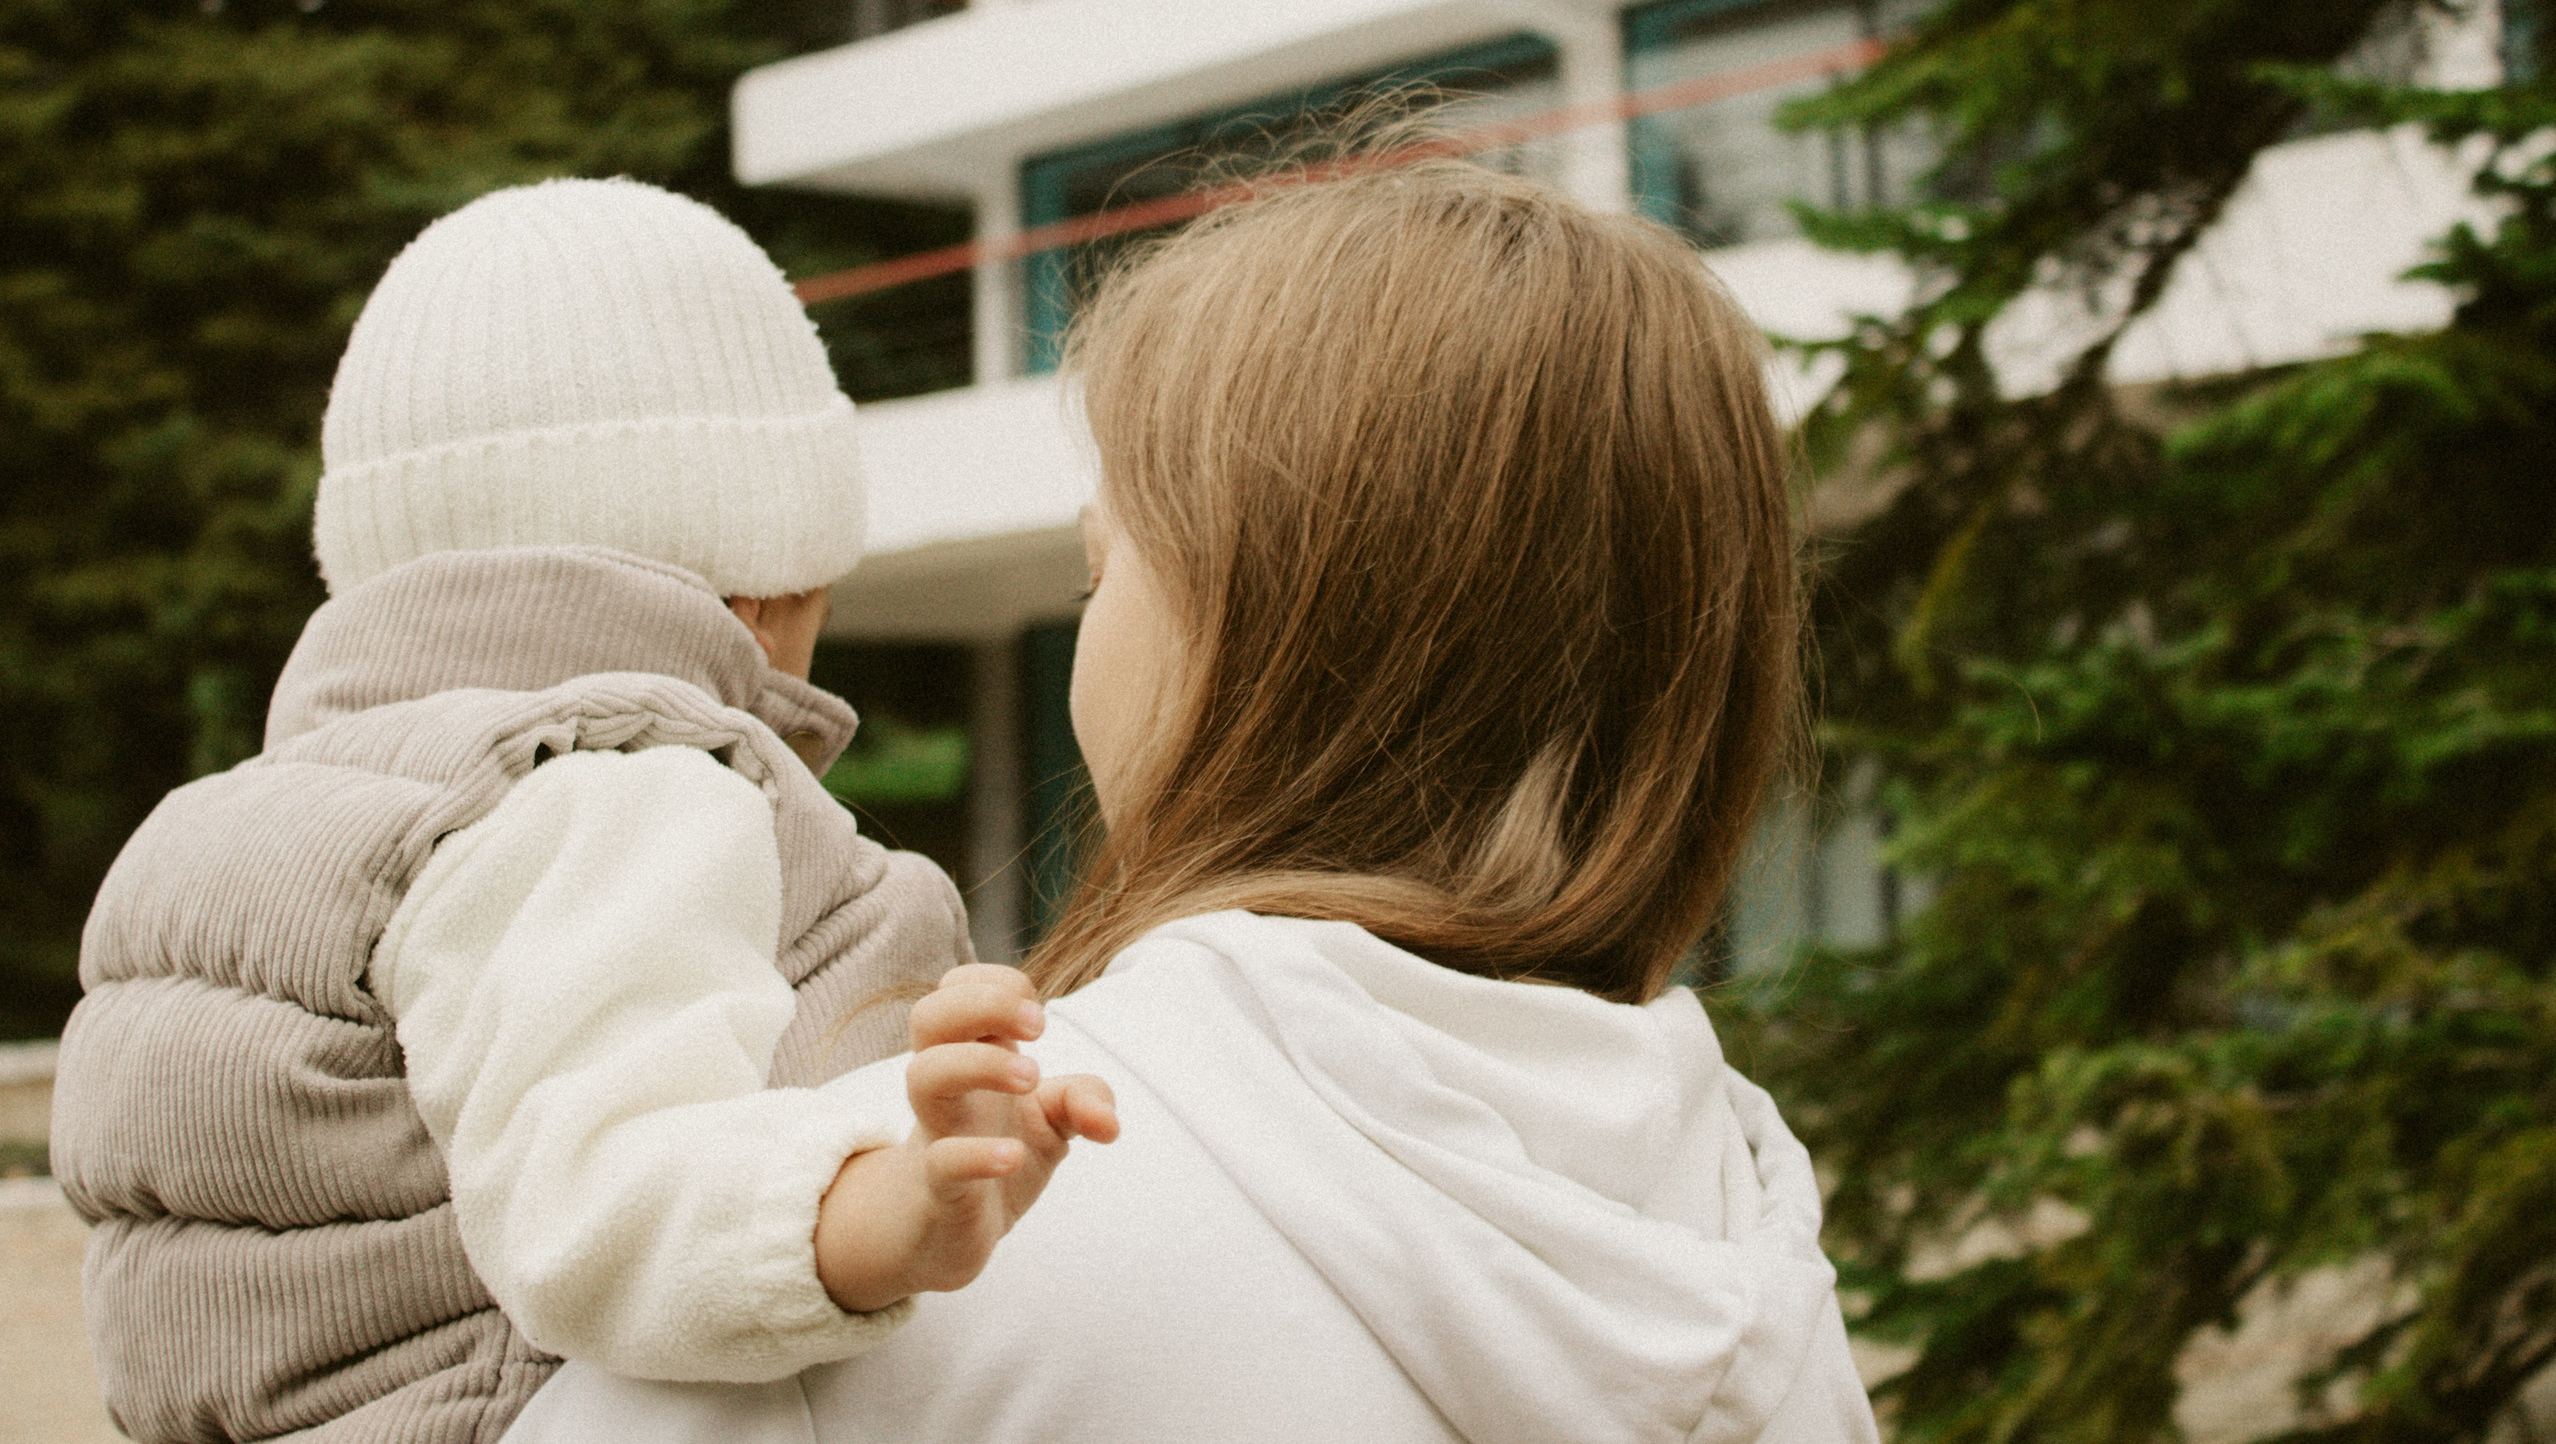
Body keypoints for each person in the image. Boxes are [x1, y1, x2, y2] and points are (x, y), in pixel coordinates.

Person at [504, 156, 1883, 1444]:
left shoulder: (948, 1213)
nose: (1086, 628)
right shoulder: (1752, 1255)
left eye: (1100, 572)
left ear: (1268, 635)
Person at [48, 180, 1115, 1444]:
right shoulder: (613, 787)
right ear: (762, 588)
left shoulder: (246, 825)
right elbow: (605, 1198)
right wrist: (879, 1209)